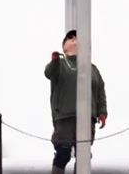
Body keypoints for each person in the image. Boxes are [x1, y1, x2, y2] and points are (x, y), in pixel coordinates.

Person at [44, 29, 108, 174]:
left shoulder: (92, 69)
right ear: (64, 46)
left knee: (84, 155)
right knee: (63, 153)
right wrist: (54, 61)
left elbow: (100, 91)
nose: (74, 38)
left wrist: (102, 112)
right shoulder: (59, 63)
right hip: (65, 117)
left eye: (77, 37)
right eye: (70, 37)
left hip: (87, 118)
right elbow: (48, 73)